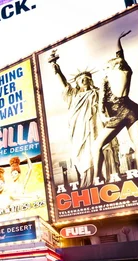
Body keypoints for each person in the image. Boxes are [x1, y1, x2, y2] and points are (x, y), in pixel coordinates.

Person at [93, 30, 138, 182]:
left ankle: (97, 176)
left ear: (111, 67)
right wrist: (118, 39)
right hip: (132, 109)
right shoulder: (126, 71)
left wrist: (102, 114)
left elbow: (102, 100)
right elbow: (120, 55)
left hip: (118, 113)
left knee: (97, 146)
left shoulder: (108, 77)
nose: (104, 69)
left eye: (106, 67)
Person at [48, 49, 98, 188]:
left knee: (93, 152)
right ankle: (85, 181)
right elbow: (64, 84)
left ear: (90, 80)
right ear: (77, 83)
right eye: (80, 79)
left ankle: (95, 180)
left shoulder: (96, 93)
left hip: (93, 128)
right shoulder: (73, 95)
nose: (83, 80)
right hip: (77, 129)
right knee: (81, 155)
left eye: (86, 78)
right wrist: (57, 69)